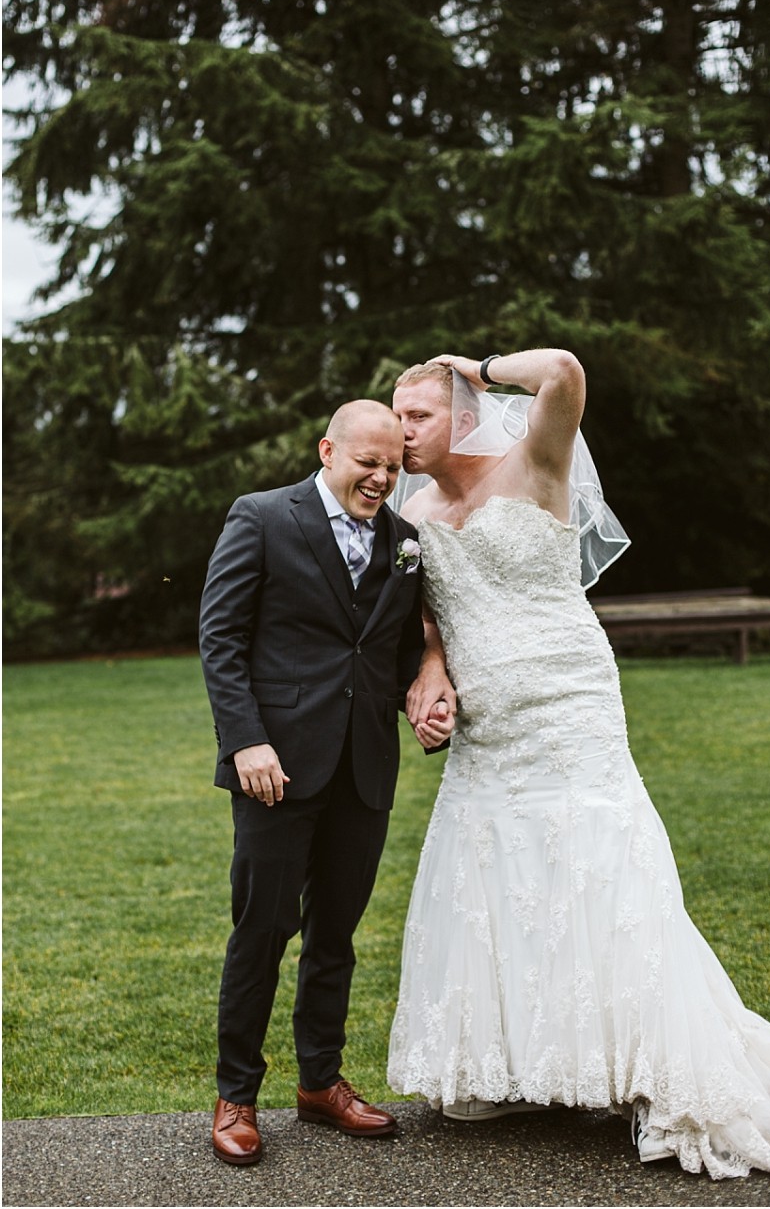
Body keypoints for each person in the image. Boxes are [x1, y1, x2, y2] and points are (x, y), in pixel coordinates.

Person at [387, 350, 770, 1180]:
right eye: (396, 417)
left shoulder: (536, 457)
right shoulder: (414, 508)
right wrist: (429, 670)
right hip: (489, 735)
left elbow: (565, 372)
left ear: (465, 413)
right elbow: (425, 614)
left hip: (570, 708)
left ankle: (659, 1075)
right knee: (497, 877)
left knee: (599, 871)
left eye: (418, 415)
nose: (402, 432)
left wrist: (484, 364)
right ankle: (527, 1066)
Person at [199, 399, 454, 1166]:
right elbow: (221, 636)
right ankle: (236, 1095)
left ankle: (320, 1084)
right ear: (327, 451)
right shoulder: (262, 517)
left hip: (364, 767)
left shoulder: (407, 542)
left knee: (335, 934)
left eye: (392, 465)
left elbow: (393, 647)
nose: (381, 477)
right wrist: (246, 740)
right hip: (275, 768)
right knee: (262, 931)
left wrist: (425, 693)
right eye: (367, 461)